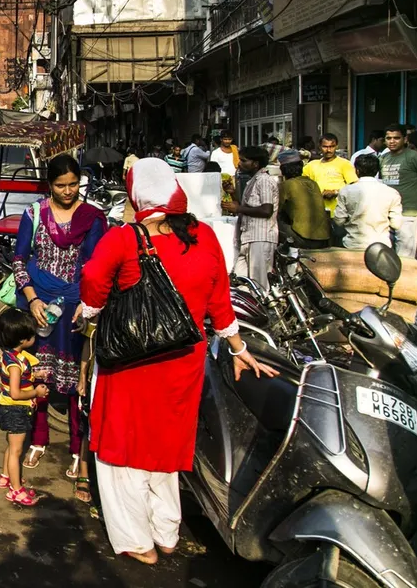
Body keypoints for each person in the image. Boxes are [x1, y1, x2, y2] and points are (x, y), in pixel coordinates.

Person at [79, 158, 277, 564]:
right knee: (166, 449)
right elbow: (221, 302)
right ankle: (167, 532)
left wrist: (88, 311)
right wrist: (240, 351)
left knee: (123, 451)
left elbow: (94, 281)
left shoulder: (124, 238)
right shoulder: (203, 235)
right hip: (184, 363)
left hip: (131, 361)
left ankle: (138, 541)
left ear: (137, 194)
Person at [12, 155, 106, 472]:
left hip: (78, 306)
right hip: (40, 308)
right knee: (37, 377)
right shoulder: (33, 214)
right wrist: (33, 298)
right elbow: (19, 260)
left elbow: (97, 266)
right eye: (60, 185)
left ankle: (78, 450)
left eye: (73, 184)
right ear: (49, 185)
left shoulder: (93, 217)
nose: (68, 191)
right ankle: (39, 440)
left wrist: (88, 302)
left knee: (78, 382)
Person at [0, 309, 48, 507]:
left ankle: (6, 477)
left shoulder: (10, 356)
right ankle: (15, 490)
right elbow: (16, 393)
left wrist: (35, 375)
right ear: (23, 340)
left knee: (11, 445)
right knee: (16, 450)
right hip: (16, 409)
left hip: (8, 408)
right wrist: (36, 393)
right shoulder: (15, 364)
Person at [222, 146, 278, 293]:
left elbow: (266, 210)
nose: (239, 163)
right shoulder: (253, 181)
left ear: (255, 164)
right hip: (248, 237)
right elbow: (248, 207)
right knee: (241, 281)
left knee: (259, 285)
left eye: (244, 161)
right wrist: (233, 194)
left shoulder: (264, 180)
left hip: (261, 236)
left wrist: (238, 209)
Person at [334, 154, 403, 250]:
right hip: (381, 246)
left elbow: (339, 220)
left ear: (357, 170)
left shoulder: (346, 191)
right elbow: (396, 224)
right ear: (377, 171)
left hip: (353, 244)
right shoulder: (392, 192)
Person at [380, 123, 417, 259]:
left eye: (396, 138)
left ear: (405, 139)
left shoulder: (414, 157)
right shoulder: (383, 158)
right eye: (388, 138)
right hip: (387, 212)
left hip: (408, 212)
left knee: (406, 257)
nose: (392, 141)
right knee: (388, 256)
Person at [277, 151, 331, 250]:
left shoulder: (286, 185)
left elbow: (277, 209)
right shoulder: (313, 183)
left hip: (303, 239)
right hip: (324, 238)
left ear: (283, 170)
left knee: (273, 221)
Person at [303, 133, 356, 215]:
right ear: (320, 147)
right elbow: (302, 185)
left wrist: (335, 192)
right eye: (325, 146)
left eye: (332, 146)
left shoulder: (345, 164)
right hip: (317, 211)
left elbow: (353, 187)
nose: (328, 150)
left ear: (336, 147)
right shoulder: (311, 165)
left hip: (339, 212)